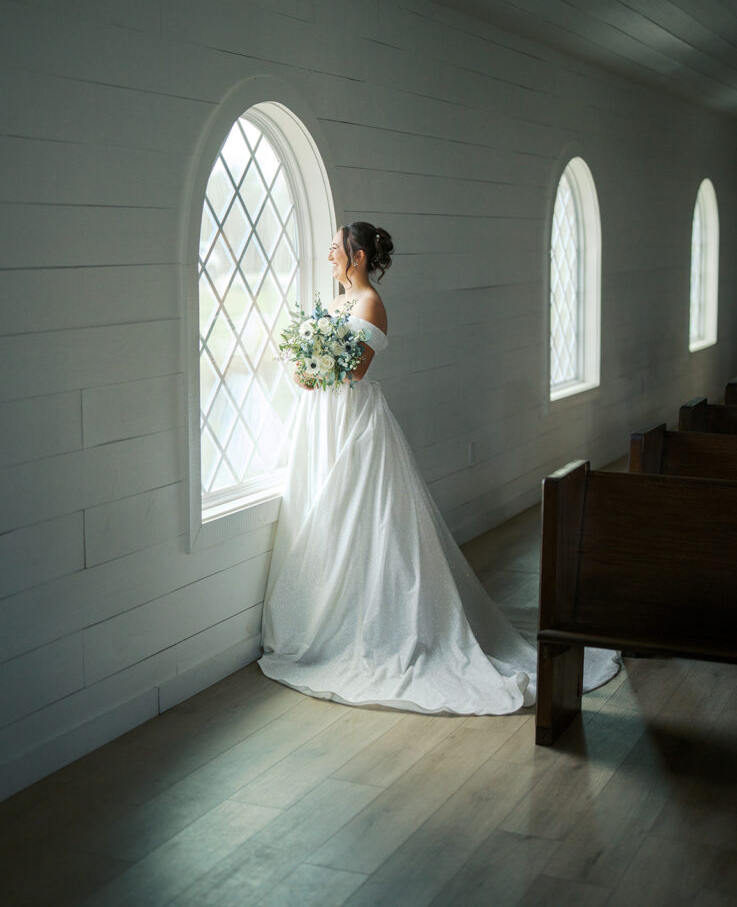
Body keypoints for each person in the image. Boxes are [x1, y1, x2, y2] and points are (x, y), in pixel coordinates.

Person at [258, 221, 619, 715]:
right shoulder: (336, 303)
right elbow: (319, 366)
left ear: (358, 256)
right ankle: (320, 616)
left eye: (335, 250)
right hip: (322, 418)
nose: (329, 258)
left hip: (353, 418)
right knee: (323, 512)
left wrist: (317, 362)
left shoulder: (370, 305)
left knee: (364, 518)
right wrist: (303, 364)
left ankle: (380, 628)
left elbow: (356, 368)